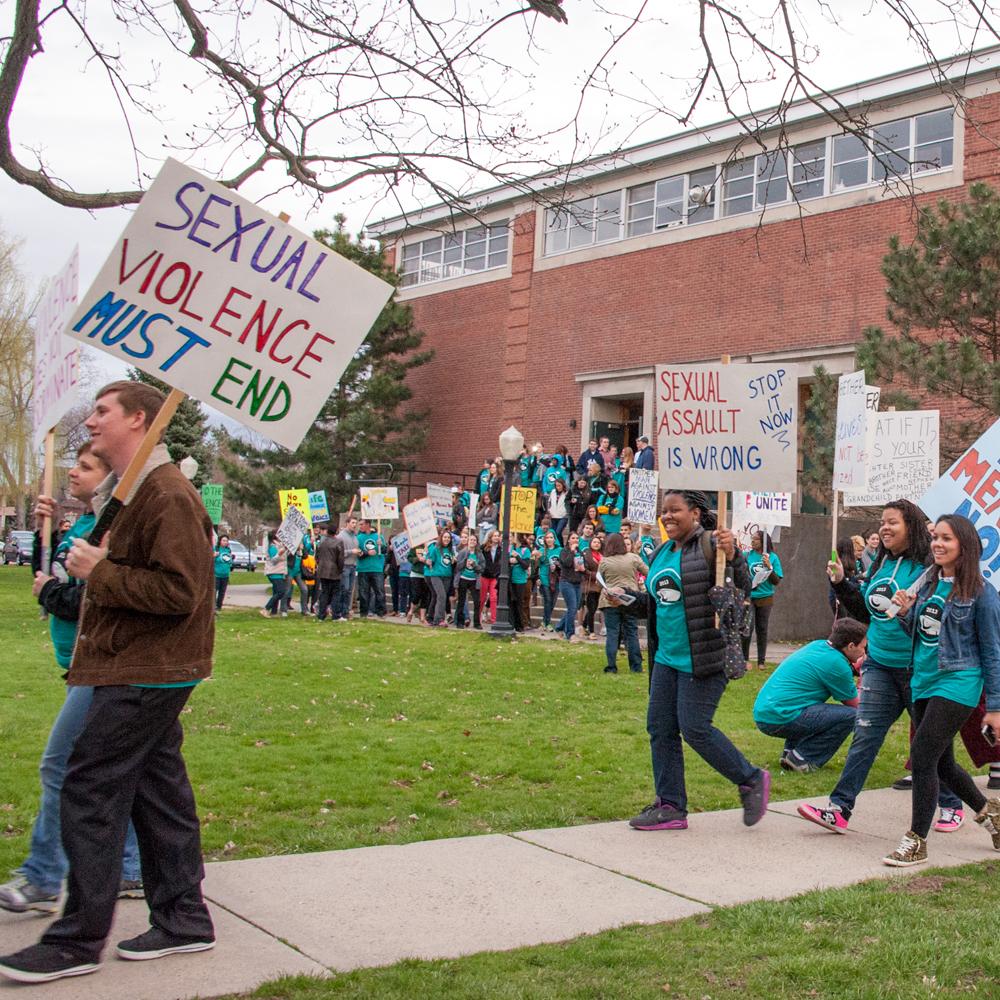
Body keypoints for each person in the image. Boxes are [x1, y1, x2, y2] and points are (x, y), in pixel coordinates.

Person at [0, 380, 215, 984]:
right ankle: (184, 919)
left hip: (148, 670)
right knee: (158, 794)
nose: (90, 423)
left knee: (88, 788)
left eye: (101, 412)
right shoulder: (134, 492)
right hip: (141, 665)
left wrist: (102, 572)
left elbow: (181, 593)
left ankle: (76, 940)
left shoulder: (168, 494)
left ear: (137, 419)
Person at [0, 444, 142, 917]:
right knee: (131, 772)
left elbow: (93, 598)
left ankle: (43, 874)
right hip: (80, 662)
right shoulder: (80, 524)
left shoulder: (111, 527)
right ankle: (131, 866)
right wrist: (51, 528)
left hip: (106, 664)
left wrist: (53, 594)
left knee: (60, 766)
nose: (74, 474)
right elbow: (54, 578)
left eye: (86, 467)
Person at [799, 498, 963, 835]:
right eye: (882, 523)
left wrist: (907, 613)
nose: (884, 528)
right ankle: (839, 809)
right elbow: (864, 612)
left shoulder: (929, 570)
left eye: (892, 523)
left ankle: (952, 803)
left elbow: (930, 621)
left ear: (911, 527)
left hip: (918, 670)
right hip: (879, 666)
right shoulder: (882, 565)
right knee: (865, 734)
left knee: (931, 745)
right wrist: (841, 583)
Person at [629, 489, 769, 832]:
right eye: (664, 511)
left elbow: (743, 586)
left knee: (694, 727)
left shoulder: (710, 545)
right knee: (660, 728)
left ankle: (751, 779)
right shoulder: (663, 551)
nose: (667, 516)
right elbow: (658, 601)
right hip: (666, 658)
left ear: (694, 512)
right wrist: (626, 602)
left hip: (704, 656)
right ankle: (671, 805)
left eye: (674, 510)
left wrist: (734, 555)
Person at [881, 514, 1000, 867]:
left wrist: (994, 708)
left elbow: (993, 652)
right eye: (935, 538)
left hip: (959, 680)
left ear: (964, 546)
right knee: (943, 763)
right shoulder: (928, 586)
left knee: (922, 756)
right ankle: (990, 814)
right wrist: (906, 613)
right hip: (923, 680)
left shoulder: (982, 593)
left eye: (946, 539)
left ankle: (916, 840)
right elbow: (926, 636)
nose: (937, 544)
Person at [753, 619, 866, 772]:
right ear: (851, 646)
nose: (864, 653)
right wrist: (863, 681)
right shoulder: (836, 663)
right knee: (852, 716)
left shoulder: (818, 645)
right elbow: (856, 704)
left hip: (765, 713)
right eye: (863, 648)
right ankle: (803, 758)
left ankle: (791, 752)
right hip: (779, 718)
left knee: (808, 705)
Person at [598, 532, 648, 674]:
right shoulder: (633, 558)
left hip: (610, 600)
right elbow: (647, 571)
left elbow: (599, 580)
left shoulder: (604, 561)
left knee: (612, 633)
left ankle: (611, 666)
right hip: (629, 599)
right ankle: (636, 666)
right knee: (632, 632)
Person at [743, 530, 783, 670]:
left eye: (755, 539)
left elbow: (776, 581)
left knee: (762, 628)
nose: (752, 541)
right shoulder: (747, 555)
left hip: (765, 597)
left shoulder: (772, 557)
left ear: (763, 542)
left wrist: (769, 567)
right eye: (752, 538)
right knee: (748, 627)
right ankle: (745, 660)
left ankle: (761, 661)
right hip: (749, 597)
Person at [555, 532, 584, 640]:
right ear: (568, 540)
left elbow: (582, 564)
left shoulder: (579, 551)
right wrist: (572, 551)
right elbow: (566, 563)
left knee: (574, 607)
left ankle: (559, 627)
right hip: (566, 582)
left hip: (577, 582)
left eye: (577, 538)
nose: (575, 540)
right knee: (572, 607)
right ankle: (570, 633)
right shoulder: (564, 551)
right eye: (573, 538)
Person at [355, 519, 387, 618]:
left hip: (376, 568)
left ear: (368, 525)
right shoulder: (358, 538)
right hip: (363, 568)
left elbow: (385, 551)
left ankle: (380, 612)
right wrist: (366, 553)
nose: (360, 526)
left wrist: (381, 545)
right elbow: (357, 552)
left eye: (362, 524)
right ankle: (363, 613)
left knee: (379, 591)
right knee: (363, 592)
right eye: (359, 524)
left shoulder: (379, 536)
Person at [314, 523, 344, 621]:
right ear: (336, 531)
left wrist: (320, 564)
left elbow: (317, 557)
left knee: (324, 593)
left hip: (322, 570)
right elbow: (340, 559)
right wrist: (340, 569)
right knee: (336, 593)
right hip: (334, 570)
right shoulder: (338, 542)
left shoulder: (321, 542)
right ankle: (336, 615)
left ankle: (321, 615)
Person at [425, 529, 455, 626]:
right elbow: (429, 560)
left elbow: (452, 561)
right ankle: (439, 619)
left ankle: (435, 618)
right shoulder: (435, 548)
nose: (447, 539)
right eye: (445, 537)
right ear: (441, 538)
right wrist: (428, 562)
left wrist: (454, 560)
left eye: (448, 538)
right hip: (436, 575)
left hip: (447, 576)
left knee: (442, 597)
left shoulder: (451, 550)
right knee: (441, 596)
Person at [454, 533, 482, 629]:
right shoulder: (463, 552)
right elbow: (458, 567)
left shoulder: (479, 554)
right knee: (461, 601)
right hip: (463, 579)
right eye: (471, 540)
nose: (472, 542)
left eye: (474, 540)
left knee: (477, 602)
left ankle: (477, 623)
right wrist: (465, 561)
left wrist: (474, 565)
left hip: (474, 580)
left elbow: (482, 568)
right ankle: (460, 622)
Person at [336, 515, 361, 620]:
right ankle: (340, 611)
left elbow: (356, 549)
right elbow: (338, 553)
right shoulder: (340, 537)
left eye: (356, 523)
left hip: (353, 565)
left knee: (350, 591)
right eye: (352, 523)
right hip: (345, 566)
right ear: (347, 523)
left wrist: (359, 552)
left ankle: (346, 612)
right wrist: (351, 551)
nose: (354, 525)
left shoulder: (354, 536)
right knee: (344, 589)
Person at [537, 530, 562, 631]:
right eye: (547, 538)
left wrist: (557, 566)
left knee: (553, 600)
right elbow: (537, 566)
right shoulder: (541, 550)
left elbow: (563, 564)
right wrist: (538, 578)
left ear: (555, 539)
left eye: (551, 537)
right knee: (547, 600)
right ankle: (547, 623)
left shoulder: (560, 550)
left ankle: (544, 621)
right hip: (544, 577)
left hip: (556, 578)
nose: (549, 539)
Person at [508, 533, 532, 632]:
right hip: (511, 579)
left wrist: (517, 558)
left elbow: (525, 565)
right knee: (511, 603)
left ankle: (520, 625)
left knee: (519, 603)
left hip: (520, 580)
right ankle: (512, 623)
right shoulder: (510, 548)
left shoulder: (525, 550)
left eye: (513, 536)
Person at [581, 534, 604, 639]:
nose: (596, 544)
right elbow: (584, 570)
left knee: (594, 609)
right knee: (591, 609)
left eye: (598, 542)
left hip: (600, 586)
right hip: (590, 584)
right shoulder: (586, 555)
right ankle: (591, 632)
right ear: (590, 543)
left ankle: (583, 626)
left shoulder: (603, 555)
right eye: (594, 542)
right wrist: (596, 575)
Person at [261, 530, 288, 617]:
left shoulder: (280, 546)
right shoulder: (272, 547)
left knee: (276, 592)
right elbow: (273, 560)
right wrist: (279, 554)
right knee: (281, 591)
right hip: (274, 572)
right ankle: (266, 609)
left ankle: (274, 611)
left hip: (280, 571)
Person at [480, 529, 502, 624]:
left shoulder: (501, 548)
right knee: (482, 597)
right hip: (485, 575)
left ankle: (494, 619)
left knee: (494, 597)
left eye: (498, 536)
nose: (496, 537)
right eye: (494, 536)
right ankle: (478, 617)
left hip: (495, 576)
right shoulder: (484, 547)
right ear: (490, 537)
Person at [213, 534, 233, 612]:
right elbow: (210, 560)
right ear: (220, 541)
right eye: (223, 540)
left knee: (222, 592)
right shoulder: (216, 549)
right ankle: (213, 606)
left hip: (225, 575)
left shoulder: (228, 550)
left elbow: (229, 562)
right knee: (215, 591)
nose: (225, 542)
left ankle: (219, 606)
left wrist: (231, 559)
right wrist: (214, 555)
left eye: (226, 541)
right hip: (216, 574)